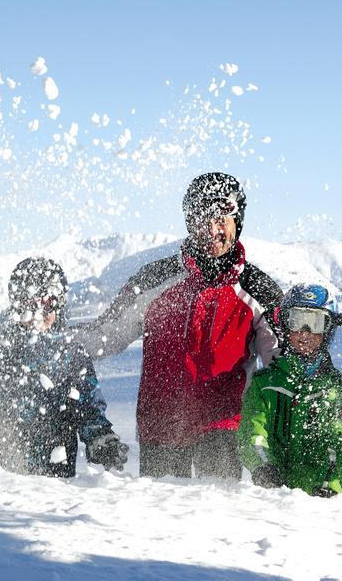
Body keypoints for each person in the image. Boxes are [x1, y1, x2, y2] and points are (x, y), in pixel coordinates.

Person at [75, 172, 282, 479]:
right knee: (162, 521)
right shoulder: (155, 281)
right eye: (203, 218)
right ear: (190, 222)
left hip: (223, 428)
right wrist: (50, 342)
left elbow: (286, 363)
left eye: (222, 218)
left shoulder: (258, 290)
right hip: (162, 429)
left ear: (238, 222)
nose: (213, 229)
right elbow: (104, 336)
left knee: (219, 518)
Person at [0, 257, 128, 477]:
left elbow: (88, 408)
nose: (39, 313)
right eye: (28, 304)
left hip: (55, 476)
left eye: (47, 303)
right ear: (16, 305)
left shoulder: (71, 354)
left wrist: (101, 439)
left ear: (59, 304)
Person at [238, 284, 342, 497]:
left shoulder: (336, 387)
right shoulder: (266, 383)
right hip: (278, 497)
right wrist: (264, 467)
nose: (305, 333)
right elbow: (253, 431)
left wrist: (328, 481)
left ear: (328, 329)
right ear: (284, 325)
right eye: (296, 321)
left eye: (315, 323)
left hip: (327, 499)